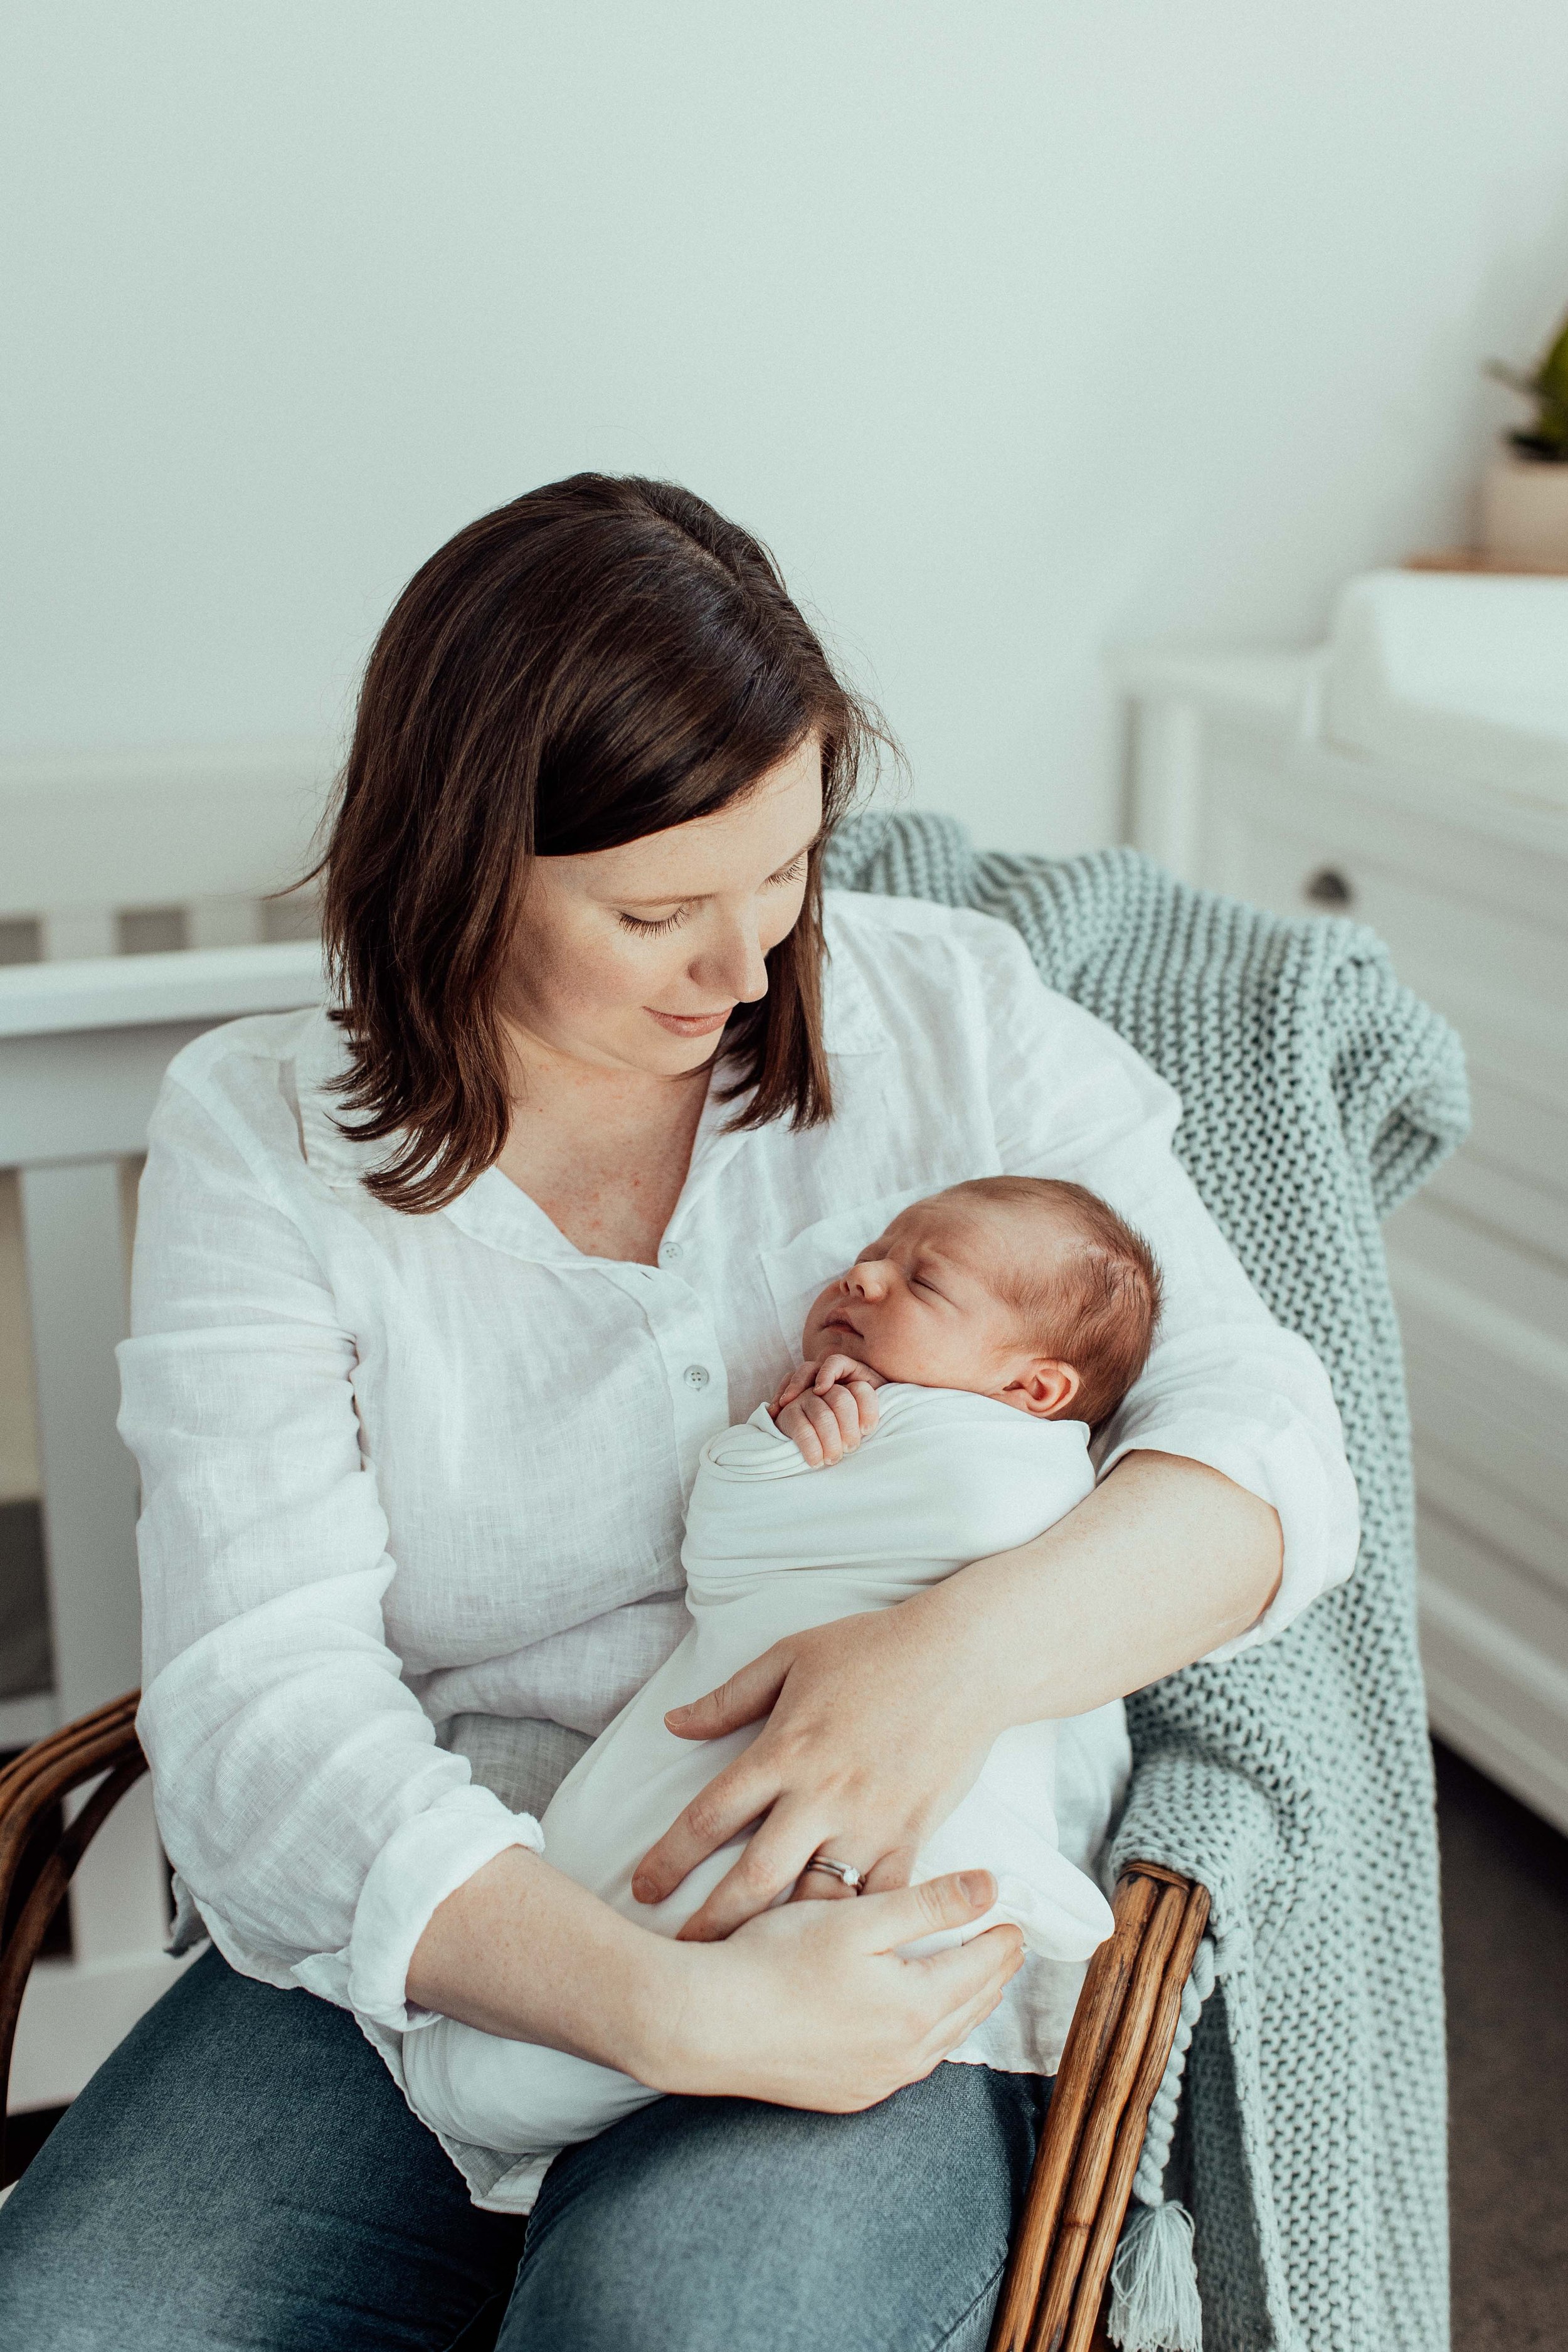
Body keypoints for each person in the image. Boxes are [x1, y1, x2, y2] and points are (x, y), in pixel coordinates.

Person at [0, 475, 1359, 2352]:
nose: (746, 969)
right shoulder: (266, 1133)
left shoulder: (948, 1018)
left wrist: (941, 1664)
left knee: (674, 2315)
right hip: (451, 1895)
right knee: (78, 2320)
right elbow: (260, 1694)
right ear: (465, 857)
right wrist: (667, 2005)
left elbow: (1269, 1448)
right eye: (657, 910)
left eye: (786, 869)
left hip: (863, 1877)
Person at [401, 1177, 1161, 2178]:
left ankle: (579, 2071)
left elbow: (995, 1517)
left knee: (732, 1912)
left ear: (1035, 1389)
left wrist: (807, 1468)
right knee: (624, 1881)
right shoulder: (827, 1420)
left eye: (923, 1280)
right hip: (709, 1730)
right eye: (876, 1250)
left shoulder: (1027, 1467)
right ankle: (631, 2041)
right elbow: (723, 1565)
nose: (865, 1271)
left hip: (904, 1819)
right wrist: (770, 1449)